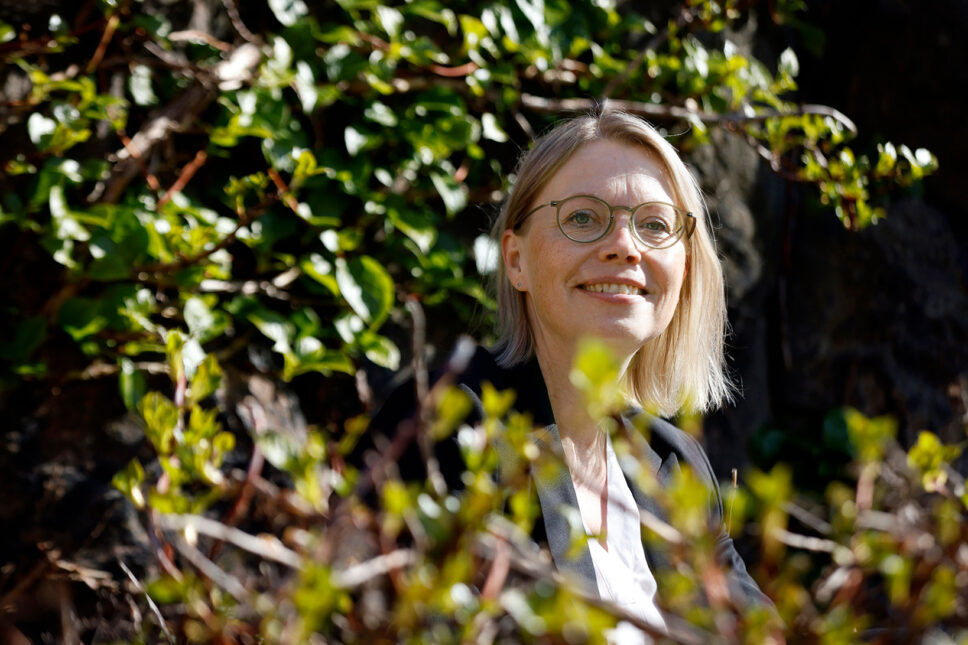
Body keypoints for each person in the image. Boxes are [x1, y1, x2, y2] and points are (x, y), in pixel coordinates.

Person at [367, 109, 775, 636]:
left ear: (686, 267)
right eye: (583, 218)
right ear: (515, 260)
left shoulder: (673, 464)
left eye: (654, 225)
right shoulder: (450, 425)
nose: (625, 246)